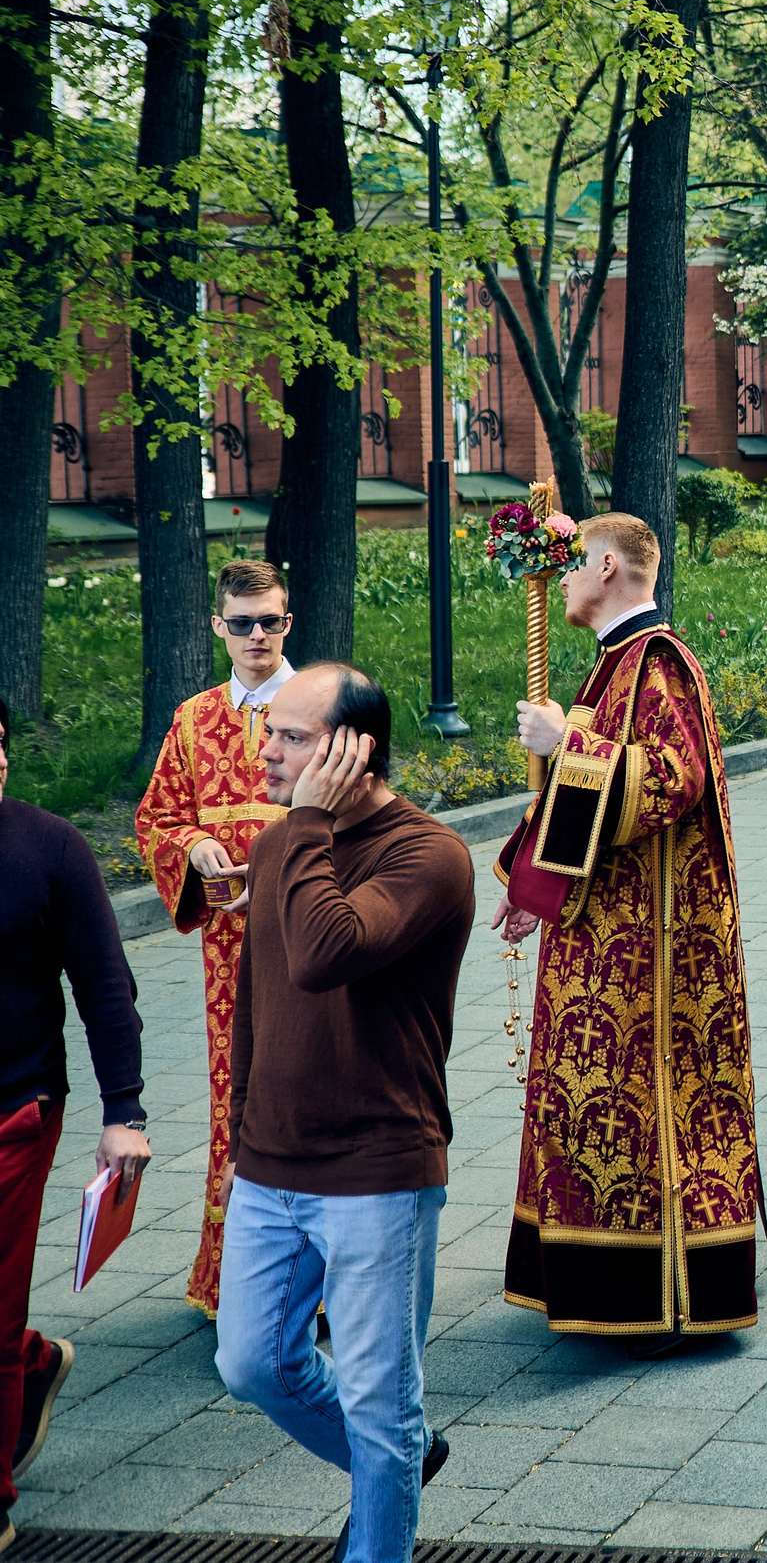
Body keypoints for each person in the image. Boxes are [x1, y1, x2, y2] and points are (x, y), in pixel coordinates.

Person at [216, 664, 473, 1563]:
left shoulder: (428, 855)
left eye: (291, 736)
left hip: (377, 1168)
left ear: (354, 750)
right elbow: (259, 997)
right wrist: (242, 1133)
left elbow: (328, 953)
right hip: (271, 1163)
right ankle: (398, 1461)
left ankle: (382, 1517)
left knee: (377, 1400)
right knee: (250, 1365)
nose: (267, 752)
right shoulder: (283, 841)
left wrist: (312, 826)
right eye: (269, 731)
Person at [493, 513, 763, 1356]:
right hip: (603, 928)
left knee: (636, 1105)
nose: (565, 579)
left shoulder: (658, 663)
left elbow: (671, 781)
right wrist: (533, 881)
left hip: (651, 949)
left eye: (574, 565)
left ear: (608, 565)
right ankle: (585, 1278)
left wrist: (564, 737)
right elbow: (583, 804)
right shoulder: (613, 664)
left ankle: (658, 1295)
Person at [1, 696, 148, 1550]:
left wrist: (122, 1109)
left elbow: (104, 986)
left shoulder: (49, 847)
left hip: (16, 1108)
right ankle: (33, 1361)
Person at [134, 557, 292, 1317]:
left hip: (309, 936)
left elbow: (361, 813)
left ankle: (317, 1281)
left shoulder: (319, 703)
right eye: (242, 623)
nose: (257, 635)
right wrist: (193, 845)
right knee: (237, 1098)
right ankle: (234, 1277)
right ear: (218, 627)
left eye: (271, 621)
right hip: (230, 953)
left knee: (308, 1088)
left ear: (287, 622)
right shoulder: (195, 719)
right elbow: (155, 818)